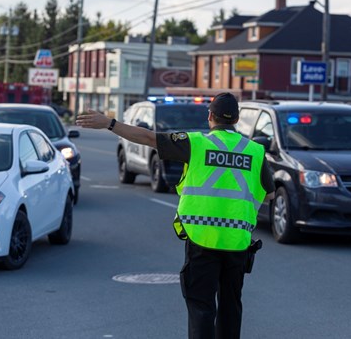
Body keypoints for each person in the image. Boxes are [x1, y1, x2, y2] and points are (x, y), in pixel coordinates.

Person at [76, 92, 275, 339]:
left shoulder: (196, 143)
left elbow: (148, 137)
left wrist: (109, 123)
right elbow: (269, 195)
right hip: (237, 243)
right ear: (236, 119)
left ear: (210, 116)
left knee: (201, 307)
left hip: (202, 239)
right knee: (230, 307)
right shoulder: (255, 151)